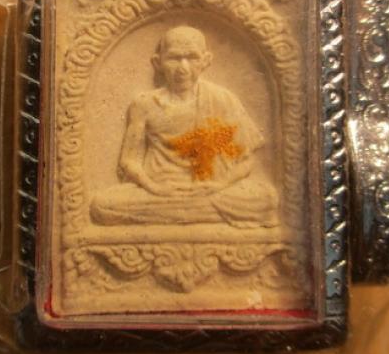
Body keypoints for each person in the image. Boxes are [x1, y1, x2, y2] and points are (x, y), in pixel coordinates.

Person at [90, 26, 279, 228]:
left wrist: (218, 185)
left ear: (206, 61)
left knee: (266, 199)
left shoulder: (222, 99)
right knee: (103, 205)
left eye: (192, 58)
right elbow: (129, 161)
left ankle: (181, 213)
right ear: (158, 62)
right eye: (174, 58)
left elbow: (246, 161)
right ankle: (193, 212)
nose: (183, 68)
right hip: (159, 191)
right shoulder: (144, 104)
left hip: (211, 189)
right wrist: (154, 187)